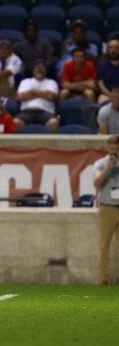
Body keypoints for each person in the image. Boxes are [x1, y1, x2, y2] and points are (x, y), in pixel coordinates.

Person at [93, 135, 119, 286]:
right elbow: (96, 183)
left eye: (116, 147)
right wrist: (108, 168)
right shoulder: (100, 163)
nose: (113, 150)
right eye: (111, 147)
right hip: (107, 207)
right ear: (107, 148)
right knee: (104, 244)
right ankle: (103, 278)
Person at [14, 60, 59, 132]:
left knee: (54, 123)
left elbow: (51, 96)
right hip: (26, 112)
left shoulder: (51, 82)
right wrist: (43, 94)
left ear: (46, 70)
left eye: (41, 69)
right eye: (37, 68)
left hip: (45, 112)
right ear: (33, 70)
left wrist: (33, 92)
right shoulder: (25, 82)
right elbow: (20, 97)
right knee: (15, 123)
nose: (39, 70)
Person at [97, 38, 119, 105]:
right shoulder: (101, 64)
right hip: (107, 94)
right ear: (107, 50)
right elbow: (101, 84)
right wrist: (111, 95)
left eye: (116, 48)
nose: (114, 50)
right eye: (111, 48)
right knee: (101, 102)